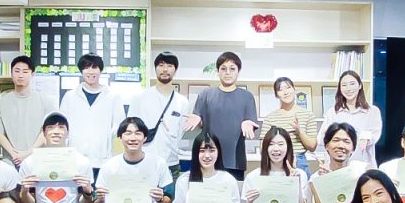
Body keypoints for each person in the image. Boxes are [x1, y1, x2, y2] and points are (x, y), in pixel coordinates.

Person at [183, 51, 259, 180]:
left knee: (233, 191)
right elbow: (200, 123)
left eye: (232, 69)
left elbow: (251, 124)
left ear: (239, 72)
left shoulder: (247, 97)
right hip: (208, 158)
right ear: (217, 71)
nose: (227, 72)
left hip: (235, 160)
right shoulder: (205, 95)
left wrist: (248, 124)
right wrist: (198, 120)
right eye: (223, 69)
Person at [127, 51, 192, 182]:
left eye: (170, 65)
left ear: (175, 70)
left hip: (171, 163)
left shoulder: (182, 102)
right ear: (155, 68)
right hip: (143, 162)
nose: (165, 69)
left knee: (171, 195)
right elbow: (129, 129)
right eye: (161, 65)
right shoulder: (140, 98)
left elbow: (181, 132)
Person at [59, 54, 126, 169]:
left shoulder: (113, 96)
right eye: (86, 68)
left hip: (103, 160)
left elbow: (119, 127)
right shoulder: (70, 96)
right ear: (81, 71)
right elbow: (62, 127)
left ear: (100, 70)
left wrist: (105, 141)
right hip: (75, 159)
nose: (90, 71)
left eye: (94, 67)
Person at [0, 56, 53, 167]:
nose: (20, 75)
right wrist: (14, 154)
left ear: (32, 74)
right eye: (17, 71)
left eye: (25, 71)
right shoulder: (1, 103)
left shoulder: (45, 101)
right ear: (11, 73)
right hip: (10, 160)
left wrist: (28, 153)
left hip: (38, 160)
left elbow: (48, 131)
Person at [316, 70, 382, 167]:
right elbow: (321, 139)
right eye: (344, 85)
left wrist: (366, 137)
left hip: (363, 164)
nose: (348, 88)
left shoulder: (372, 111)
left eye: (352, 84)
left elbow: (375, 135)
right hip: (337, 165)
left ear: (360, 85)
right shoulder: (333, 112)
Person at [258, 77, 318, 175]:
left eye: (288, 88)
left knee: (302, 185)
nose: (285, 92)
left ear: (294, 90)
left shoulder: (308, 115)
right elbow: (262, 147)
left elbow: (312, 146)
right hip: (277, 161)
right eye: (280, 90)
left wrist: (299, 131)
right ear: (276, 95)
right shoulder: (270, 117)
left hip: (299, 161)